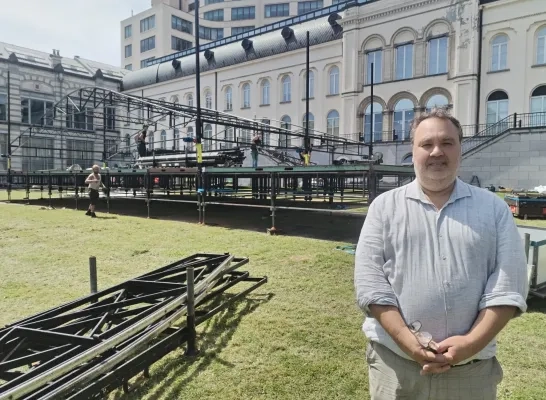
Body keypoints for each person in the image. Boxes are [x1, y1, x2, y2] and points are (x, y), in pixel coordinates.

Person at [354, 108, 529, 400]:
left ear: (461, 148)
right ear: (413, 151)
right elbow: (370, 284)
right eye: (427, 144)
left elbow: (508, 286)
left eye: (447, 142)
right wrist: (407, 342)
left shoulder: (493, 209)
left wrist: (471, 343)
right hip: (396, 367)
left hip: (469, 373)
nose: (437, 151)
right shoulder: (383, 208)